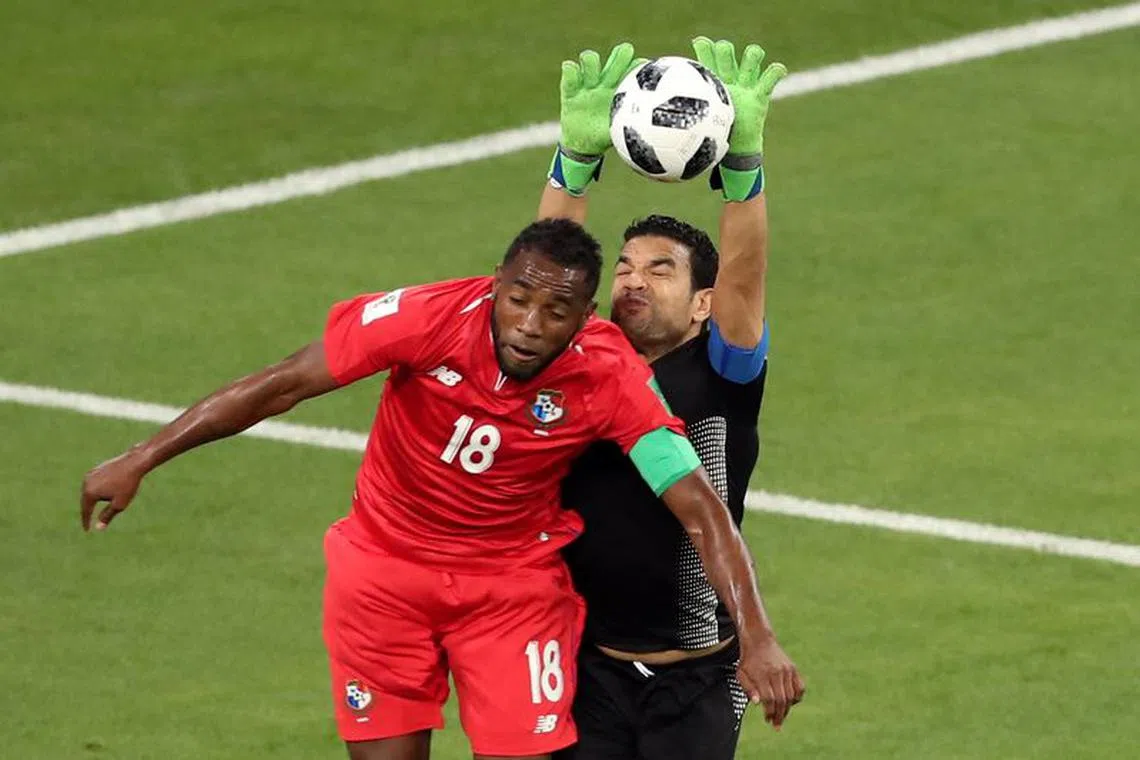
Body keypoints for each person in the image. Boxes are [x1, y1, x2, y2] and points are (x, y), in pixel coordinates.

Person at [79, 184, 797, 757]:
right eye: (518, 300)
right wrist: (143, 456)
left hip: (509, 591)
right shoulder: (426, 318)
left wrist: (758, 635)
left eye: (556, 312)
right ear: (495, 286)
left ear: (585, 318)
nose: (529, 325)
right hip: (383, 577)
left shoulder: (608, 372)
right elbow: (284, 383)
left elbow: (698, 504)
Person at [540, 39, 804, 759]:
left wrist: (743, 169)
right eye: (625, 267)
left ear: (701, 305)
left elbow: (744, 276)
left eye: (661, 271)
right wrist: (574, 162)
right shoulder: (583, 363)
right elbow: (544, 274)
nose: (633, 280)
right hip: (587, 669)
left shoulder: (722, 372)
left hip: (698, 681)